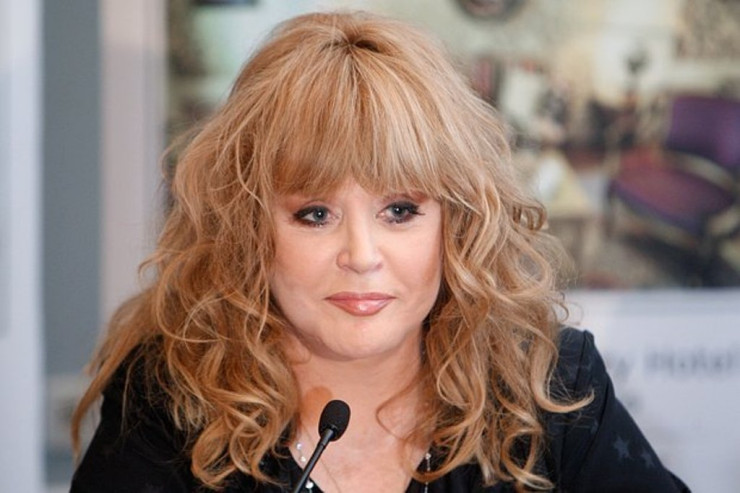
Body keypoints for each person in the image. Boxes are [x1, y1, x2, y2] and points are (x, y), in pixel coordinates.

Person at [70, 11, 689, 493]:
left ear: (457, 224)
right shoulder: (172, 399)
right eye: (315, 214)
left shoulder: (550, 388)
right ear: (249, 229)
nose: (362, 255)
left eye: (400, 211)